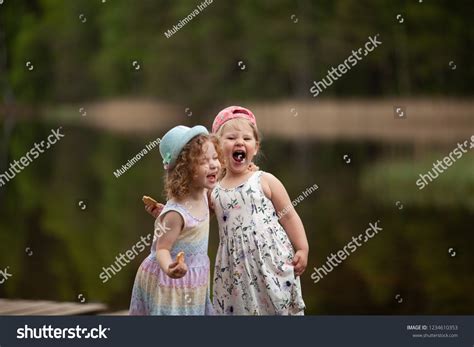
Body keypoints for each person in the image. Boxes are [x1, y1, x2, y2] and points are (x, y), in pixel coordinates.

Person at [211, 106, 308, 315]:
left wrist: (302, 248)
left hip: (271, 260)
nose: (239, 142)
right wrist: (173, 212)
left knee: (277, 305)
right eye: (231, 138)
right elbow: (196, 215)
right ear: (217, 147)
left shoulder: (264, 180)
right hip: (234, 268)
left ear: (255, 147)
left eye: (246, 138)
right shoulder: (214, 191)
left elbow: (289, 215)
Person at [129, 125, 221, 315]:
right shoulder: (175, 214)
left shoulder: (204, 193)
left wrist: (247, 171)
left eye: (215, 158)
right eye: (204, 161)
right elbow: (162, 249)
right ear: (184, 170)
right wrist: (169, 268)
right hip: (170, 279)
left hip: (194, 277)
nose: (214, 164)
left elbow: (199, 221)